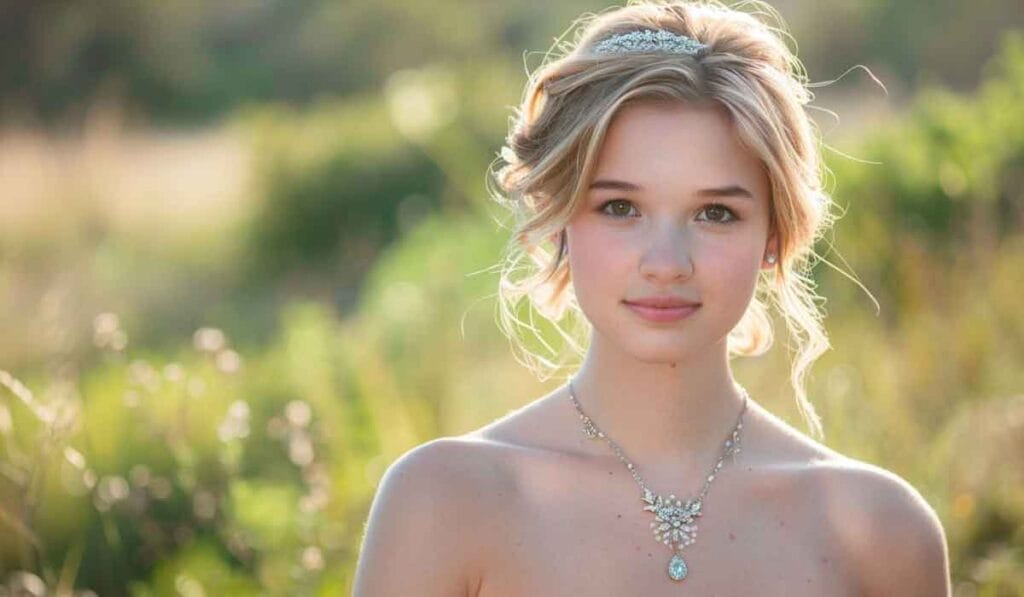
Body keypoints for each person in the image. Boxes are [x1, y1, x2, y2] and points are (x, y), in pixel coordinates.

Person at [353, 1, 952, 595]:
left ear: (773, 234)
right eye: (620, 207)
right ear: (558, 218)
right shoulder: (443, 501)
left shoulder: (880, 531)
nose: (666, 264)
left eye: (716, 213)